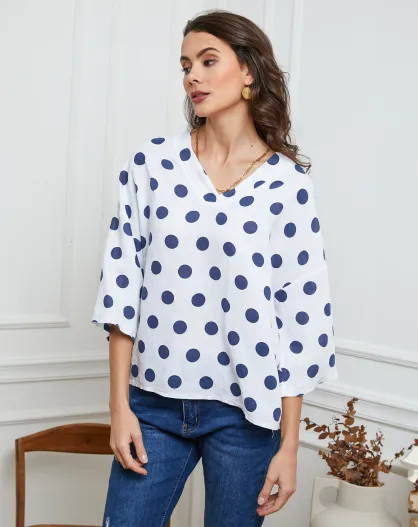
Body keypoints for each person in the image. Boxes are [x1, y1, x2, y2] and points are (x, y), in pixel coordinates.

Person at [91, 9, 338, 527]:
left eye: (208, 61)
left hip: (246, 413)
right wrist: (119, 408)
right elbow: (121, 289)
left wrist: (289, 446)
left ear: (248, 70)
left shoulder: (288, 184)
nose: (192, 77)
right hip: (154, 403)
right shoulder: (152, 165)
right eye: (186, 66)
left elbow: (300, 318)